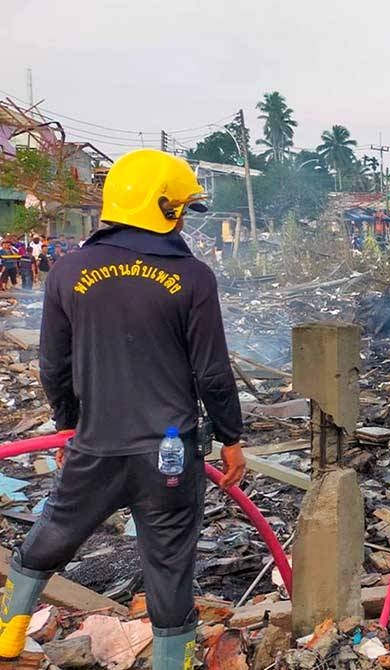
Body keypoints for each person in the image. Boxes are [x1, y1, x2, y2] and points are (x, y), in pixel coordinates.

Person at [0, 149, 246, 670]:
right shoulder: (193, 277)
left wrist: (68, 425)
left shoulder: (68, 270)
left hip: (96, 447)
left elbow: (53, 365)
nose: (183, 220)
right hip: (169, 458)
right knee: (170, 570)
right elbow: (212, 372)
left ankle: (8, 637)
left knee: (52, 536)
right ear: (163, 207)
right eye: (181, 209)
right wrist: (231, 438)